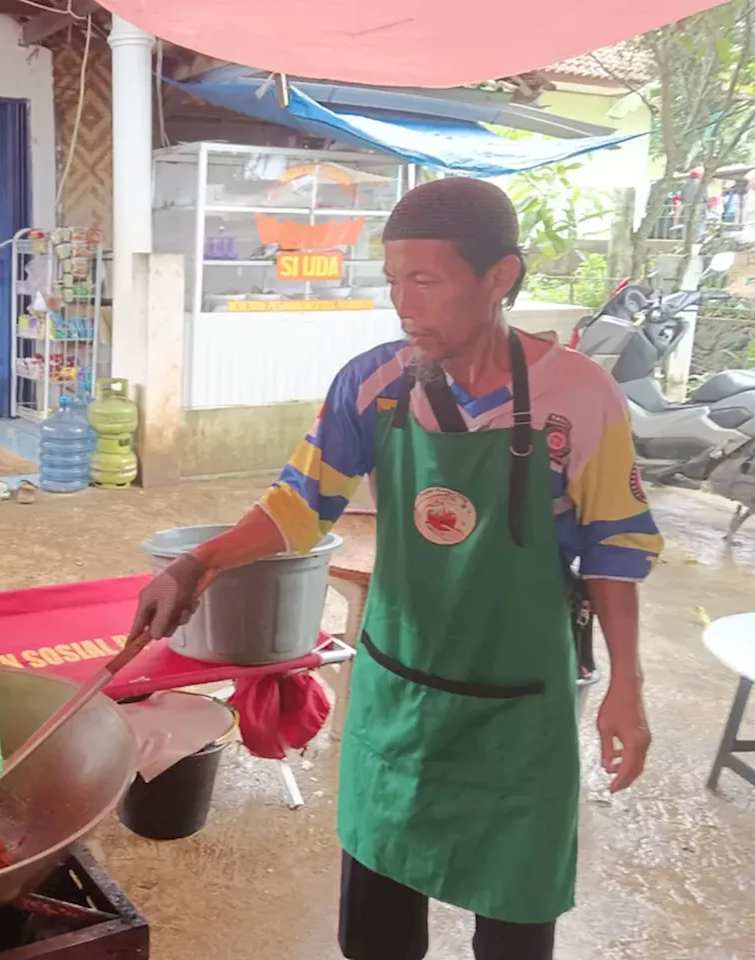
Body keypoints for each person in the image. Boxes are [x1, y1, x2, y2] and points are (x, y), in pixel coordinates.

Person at [130, 178, 661, 960]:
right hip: (400, 692)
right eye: (393, 282)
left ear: (499, 278)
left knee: (516, 923)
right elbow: (300, 507)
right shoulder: (374, 385)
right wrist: (197, 564)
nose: (404, 306)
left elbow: (614, 548)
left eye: (426, 281)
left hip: (518, 710)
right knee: (378, 929)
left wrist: (626, 684)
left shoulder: (579, 396)